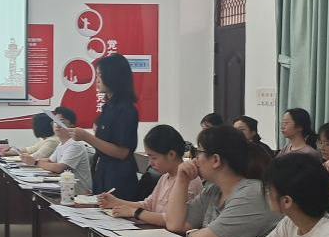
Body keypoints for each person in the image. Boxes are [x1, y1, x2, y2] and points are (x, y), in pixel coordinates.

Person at [164, 125, 280, 237]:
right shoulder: (214, 189)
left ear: (215, 160)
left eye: (198, 152)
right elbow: (174, 224)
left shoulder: (252, 193)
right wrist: (182, 181)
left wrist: (191, 233)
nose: (195, 160)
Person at [96, 124, 202, 225]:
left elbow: (172, 220)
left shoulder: (189, 180)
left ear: (171, 155)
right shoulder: (165, 177)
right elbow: (148, 205)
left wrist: (135, 212)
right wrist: (116, 202)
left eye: (153, 158)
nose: (150, 163)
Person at [70, 54, 139, 200]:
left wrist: (86, 137)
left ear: (113, 76)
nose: (97, 80)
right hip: (103, 172)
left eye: (100, 75)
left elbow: (122, 152)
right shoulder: (108, 107)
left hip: (118, 178)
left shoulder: (126, 110)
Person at [21, 107, 92, 195]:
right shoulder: (62, 143)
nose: (57, 125)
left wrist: (35, 162)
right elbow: (50, 160)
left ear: (71, 126)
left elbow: (60, 168)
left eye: (61, 122)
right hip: (63, 189)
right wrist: (29, 159)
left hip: (77, 193)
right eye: (55, 122)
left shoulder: (75, 144)